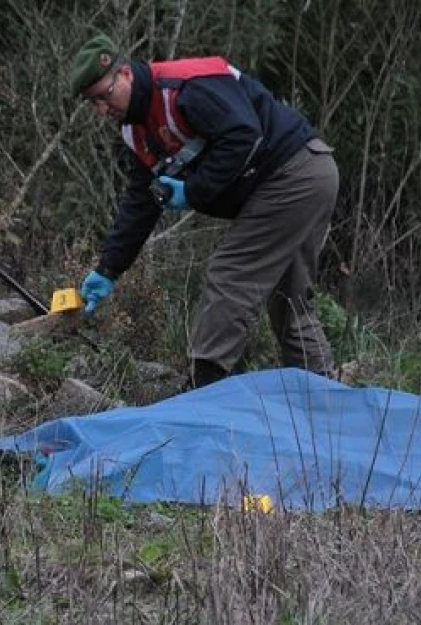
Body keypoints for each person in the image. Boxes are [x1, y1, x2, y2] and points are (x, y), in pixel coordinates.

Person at [70, 33, 341, 388]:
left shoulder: (184, 87)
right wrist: (108, 268)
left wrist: (194, 192)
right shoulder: (135, 134)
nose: (103, 109)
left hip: (294, 173)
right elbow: (141, 202)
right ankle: (324, 402)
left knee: (230, 272)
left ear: (125, 74)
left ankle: (207, 387)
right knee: (290, 302)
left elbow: (244, 135)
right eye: (94, 103)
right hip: (302, 176)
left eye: (105, 96)